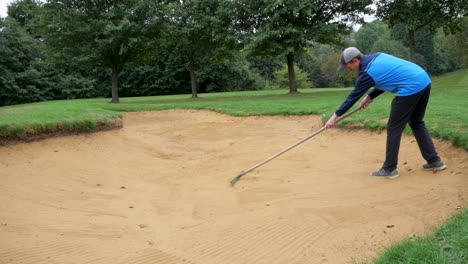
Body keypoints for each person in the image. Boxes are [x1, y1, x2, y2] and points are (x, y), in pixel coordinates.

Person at [325, 47, 446, 178]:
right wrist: (369, 97)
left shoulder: (366, 73)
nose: (348, 69)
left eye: (348, 66)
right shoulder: (378, 56)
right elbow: (386, 78)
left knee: (394, 128)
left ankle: (389, 169)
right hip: (423, 80)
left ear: (355, 61)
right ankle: (435, 161)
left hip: (411, 87)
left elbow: (352, 98)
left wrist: (334, 117)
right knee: (416, 122)